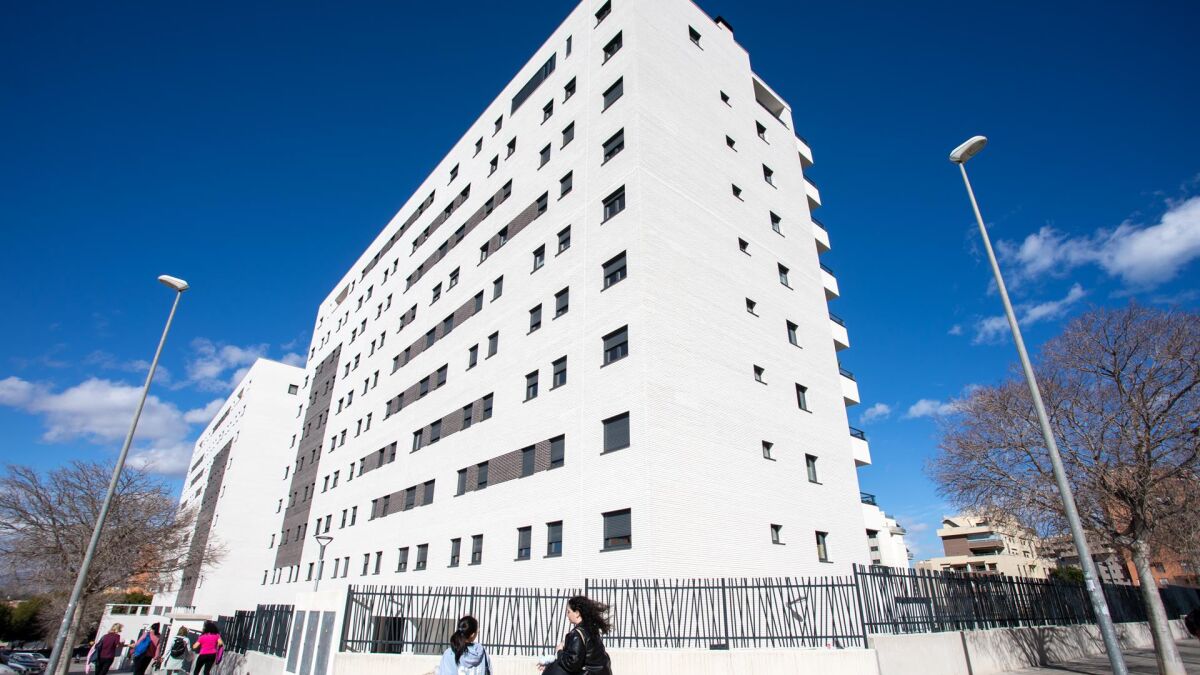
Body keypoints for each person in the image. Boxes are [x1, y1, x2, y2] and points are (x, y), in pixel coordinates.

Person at [538, 596, 613, 675]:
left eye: (568, 611)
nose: (567, 615)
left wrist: (559, 651)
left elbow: (572, 664)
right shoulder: (591, 630)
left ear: (577, 613)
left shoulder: (577, 634)